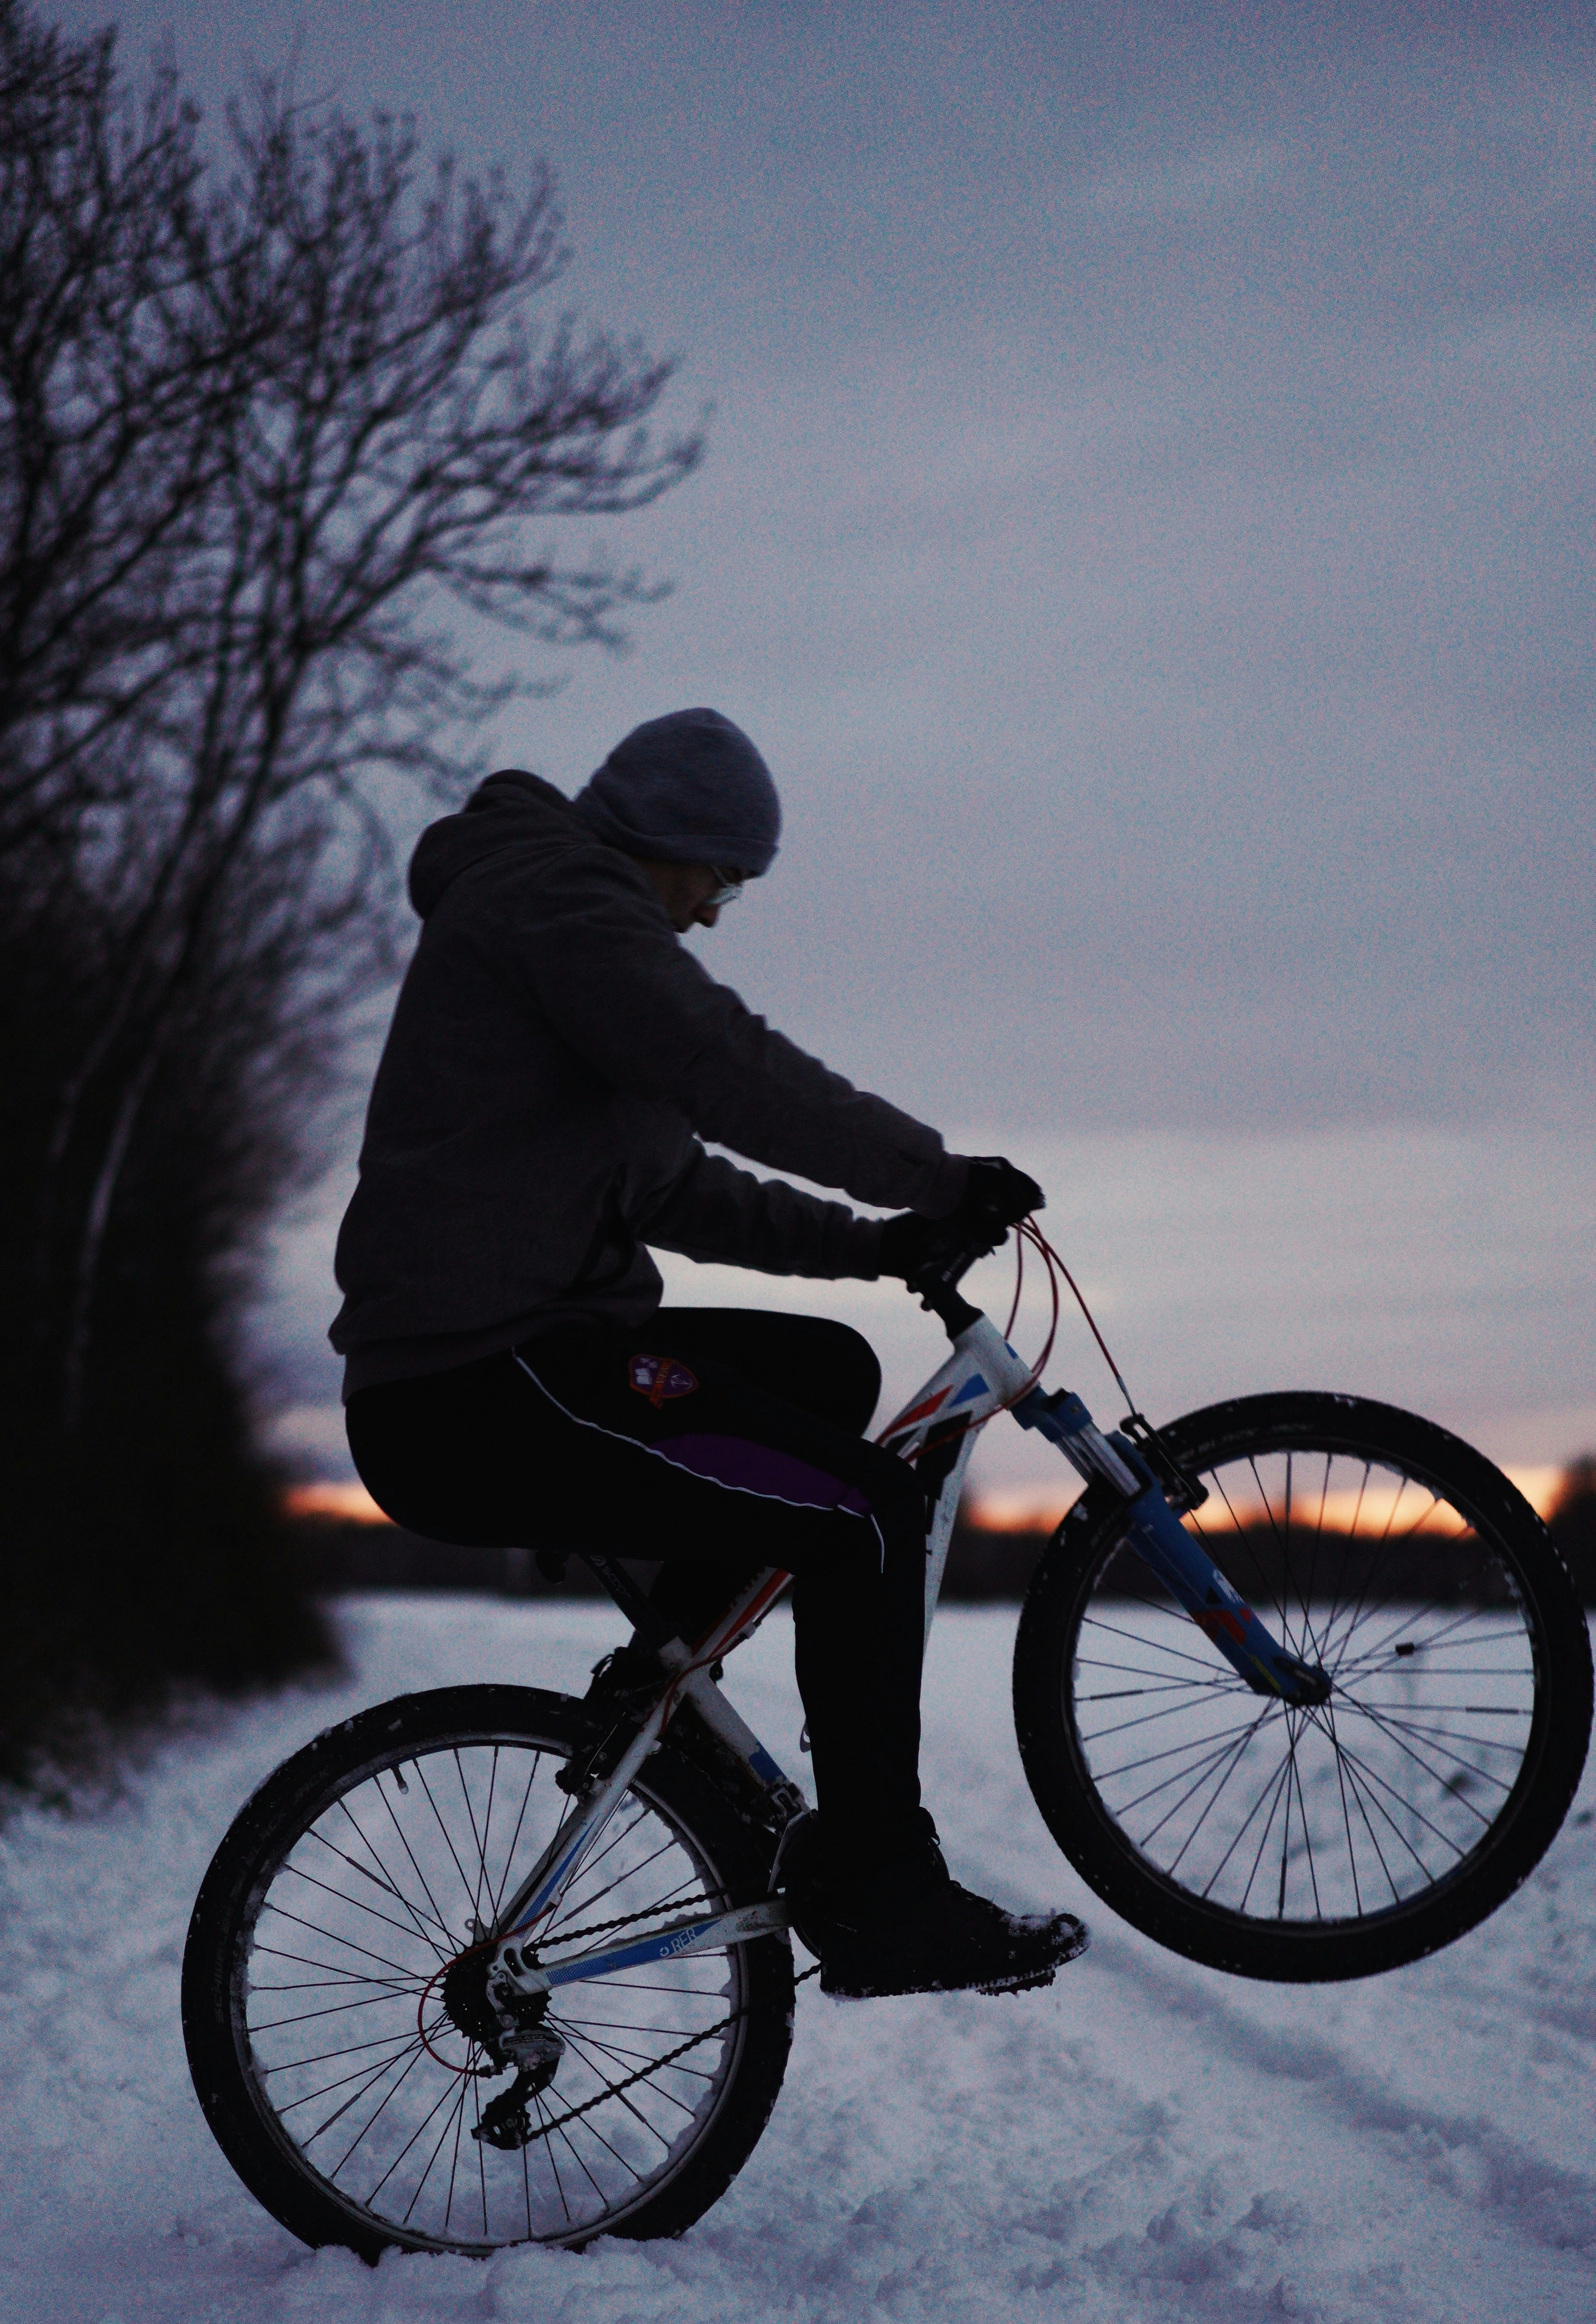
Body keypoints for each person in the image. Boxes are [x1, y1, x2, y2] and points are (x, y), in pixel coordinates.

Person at [331, 707, 1087, 2000]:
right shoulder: (562, 907)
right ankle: (881, 1895)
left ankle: (663, 1704)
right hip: (480, 1384)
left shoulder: (557, 949)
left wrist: (885, 1243)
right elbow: (731, 1067)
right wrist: (938, 1171)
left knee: (828, 1378)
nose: (717, 914)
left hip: (520, 1356)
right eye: (723, 879)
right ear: (669, 842)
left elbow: (687, 1190)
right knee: (862, 1519)